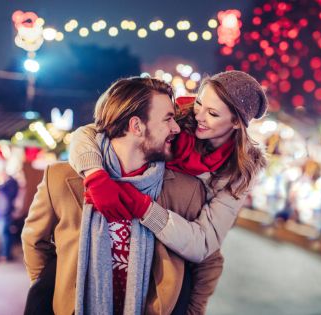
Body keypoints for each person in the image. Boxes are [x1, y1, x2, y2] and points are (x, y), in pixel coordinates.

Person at [22, 77, 224, 315]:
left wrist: (192, 311)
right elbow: (34, 242)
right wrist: (58, 291)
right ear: (136, 126)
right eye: (168, 118)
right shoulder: (60, 179)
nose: (176, 128)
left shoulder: (185, 190)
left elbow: (208, 260)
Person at [69, 70, 268, 263]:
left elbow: (205, 243)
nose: (199, 116)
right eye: (199, 103)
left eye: (213, 113)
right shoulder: (177, 119)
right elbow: (91, 133)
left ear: (235, 122)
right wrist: (95, 175)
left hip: (171, 247)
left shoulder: (239, 172)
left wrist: (145, 208)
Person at [0, 169, 19, 261]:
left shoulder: (11, 183)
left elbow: (0, 188)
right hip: (4, 212)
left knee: (3, 233)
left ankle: (5, 254)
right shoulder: (10, 183)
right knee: (5, 233)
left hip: (6, 212)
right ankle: (6, 254)